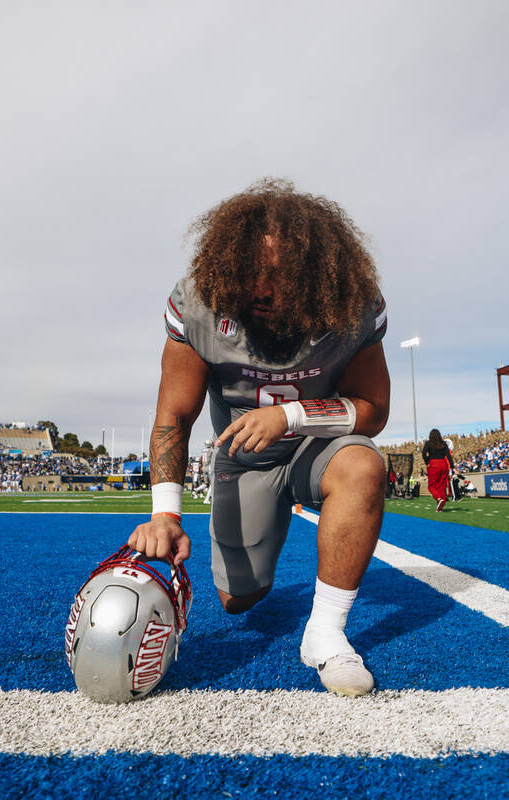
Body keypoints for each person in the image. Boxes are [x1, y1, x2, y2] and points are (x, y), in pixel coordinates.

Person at [127, 179, 389, 698]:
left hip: (319, 447)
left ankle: (326, 633)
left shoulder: (353, 303)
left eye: (282, 278)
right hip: (244, 461)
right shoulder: (199, 303)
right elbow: (174, 416)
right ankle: (265, 527)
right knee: (237, 600)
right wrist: (165, 514)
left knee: (365, 467)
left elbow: (374, 410)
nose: (266, 292)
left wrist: (291, 415)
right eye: (254, 277)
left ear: (318, 276)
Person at [421, 429, 454, 512]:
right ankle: (440, 507)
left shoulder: (429, 443)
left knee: (431, 486)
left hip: (434, 464)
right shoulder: (443, 444)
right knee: (441, 486)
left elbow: (423, 453)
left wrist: (427, 461)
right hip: (443, 464)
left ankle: (439, 499)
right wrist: (452, 466)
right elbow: (448, 456)